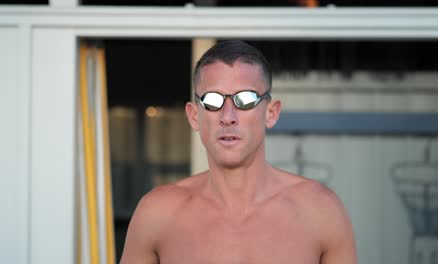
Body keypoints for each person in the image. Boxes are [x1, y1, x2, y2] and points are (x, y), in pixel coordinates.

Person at [120, 40, 357, 264]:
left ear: (271, 113)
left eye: (245, 99)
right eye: (212, 101)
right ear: (194, 116)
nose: (228, 117)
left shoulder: (320, 211)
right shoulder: (158, 214)